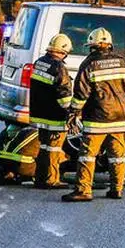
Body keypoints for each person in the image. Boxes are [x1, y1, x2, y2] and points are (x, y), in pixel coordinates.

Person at [62, 27, 125, 202]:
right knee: (117, 156)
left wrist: (73, 112)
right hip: (120, 119)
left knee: (87, 155)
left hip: (97, 120)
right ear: (109, 45)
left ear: (92, 46)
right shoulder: (123, 62)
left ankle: (84, 190)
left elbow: (81, 94)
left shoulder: (89, 64)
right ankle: (117, 189)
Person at [28, 33, 74, 189]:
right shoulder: (59, 67)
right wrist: (71, 111)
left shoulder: (39, 62)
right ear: (64, 50)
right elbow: (64, 96)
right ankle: (52, 179)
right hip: (55, 116)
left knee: (44, 147)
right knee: (54, 148)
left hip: (40, 114)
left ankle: (40, 177)